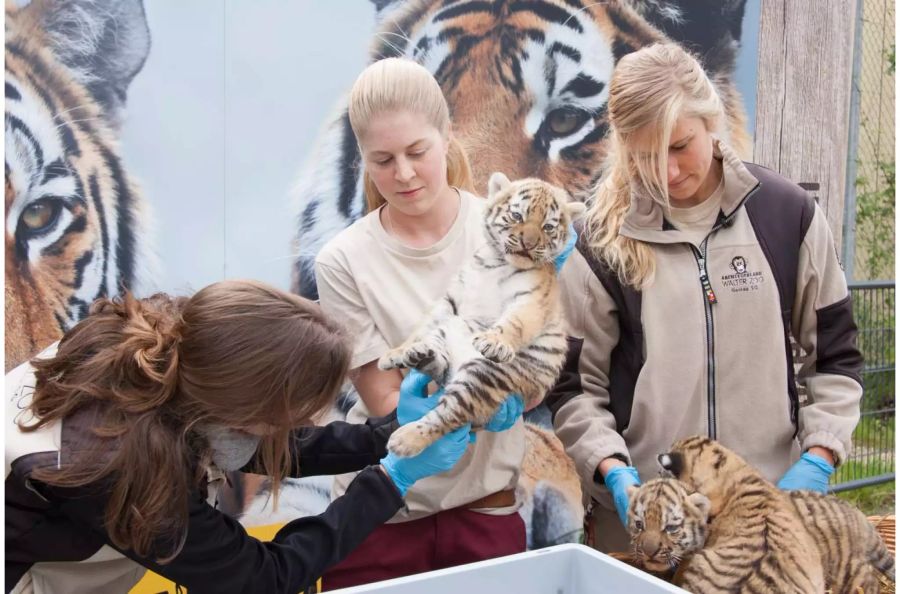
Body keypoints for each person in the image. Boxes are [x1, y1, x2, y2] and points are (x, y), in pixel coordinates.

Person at [546, 43, 863, 552]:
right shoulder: (600, 244)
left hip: (765, 522)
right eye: (646, 155)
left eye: (679, 146)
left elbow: (835, 356)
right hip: (645, 532)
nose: (667, 172)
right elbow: (573, 389)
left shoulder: (788, 216)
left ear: (710, 121)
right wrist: (613, 471)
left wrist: (820, 454)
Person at [5, 279, 473, 594]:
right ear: (246, 406)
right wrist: (392, 480)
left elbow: (260, 442)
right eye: (297, 411)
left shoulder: (182, 350)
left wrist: (390, 434)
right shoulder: (121, 467)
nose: (308, 420)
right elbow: (263, 578)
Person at [313, 58, 532, 590]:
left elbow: (537, 353)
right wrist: (483, 395)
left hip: (485, 513)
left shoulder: (504, 228)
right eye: (382, 160)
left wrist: (523, 387)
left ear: (447, 134)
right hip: (381, 521)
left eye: (417, 152)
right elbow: (386, 399)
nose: (404, 174)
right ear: (362, 159)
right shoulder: (341, 261)